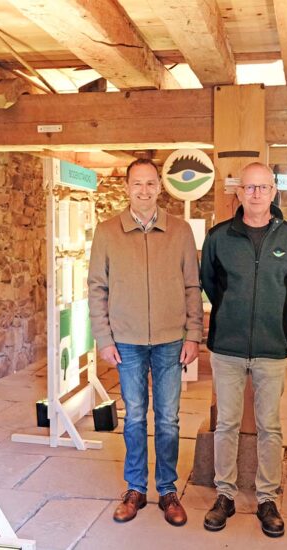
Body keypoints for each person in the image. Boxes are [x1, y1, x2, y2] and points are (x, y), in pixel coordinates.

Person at [88, 158, 203, 527]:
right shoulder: (107, 232)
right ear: (127, 188)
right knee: (135, 416)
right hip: (126, 341)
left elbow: (192, 286)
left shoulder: (180, 231)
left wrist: (194, 334)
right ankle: (135, 488)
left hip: (170, 341)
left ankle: (167, 490)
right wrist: (103, 338)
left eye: (150, 183)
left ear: (160, 187)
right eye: (137, 183)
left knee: (168, 419)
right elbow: (97, 288)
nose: (144, 190)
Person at [200, 162, 287, 538]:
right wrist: (232, 312)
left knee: (270, 426)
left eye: (263, 187)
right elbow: (210, 283)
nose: (257, 194)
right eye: (250, 187)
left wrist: (269, 317)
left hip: (271, 347)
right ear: (239, 192)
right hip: (227, 348)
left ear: (274, 191)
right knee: (226, 423)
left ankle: (267, 498)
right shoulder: (219, 237)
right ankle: (225, 495)